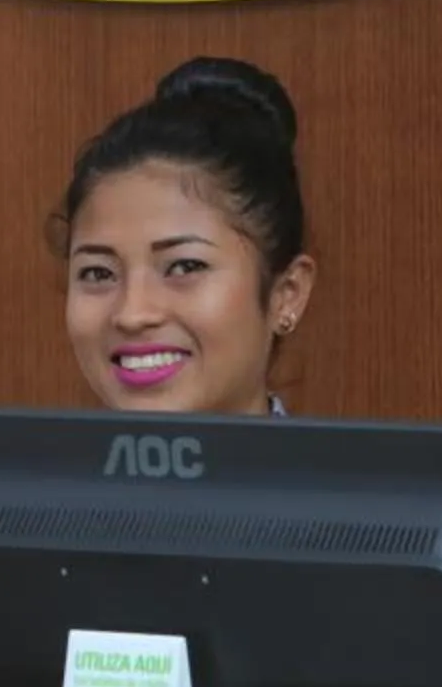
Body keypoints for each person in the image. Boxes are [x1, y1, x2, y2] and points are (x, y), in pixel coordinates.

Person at [56, 57, 317, 418]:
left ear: (286, 294)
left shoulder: (361, 463)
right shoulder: (5, 458)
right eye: (98, 273)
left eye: (184, 267)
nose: (132, 314)